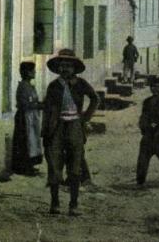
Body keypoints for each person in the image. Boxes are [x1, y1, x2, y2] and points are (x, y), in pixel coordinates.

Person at [42, 48, 99, 215]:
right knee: (54, 165)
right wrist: (46, 132)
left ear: (74, 68)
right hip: (57, 128)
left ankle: (73, 205)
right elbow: (47, 110)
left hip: (75, 126)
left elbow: (95, 98)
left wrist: (85, 118)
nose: (65, 68)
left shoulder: (81, 84)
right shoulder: (53, 86)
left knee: (75, 166)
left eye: (69, 65)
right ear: (58, 68)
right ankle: (55, 203)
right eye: (62, 65)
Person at [12, 62, 43, 176]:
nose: (34, 72)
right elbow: (25, 104)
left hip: (31, 117)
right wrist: (39, 105)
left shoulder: (29, 86)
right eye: (32, 70)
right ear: (27, 72)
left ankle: (29, 165)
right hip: (24, 118)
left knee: (32, 141)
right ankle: (24, 167)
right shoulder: (23, 87)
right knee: (25, 142)